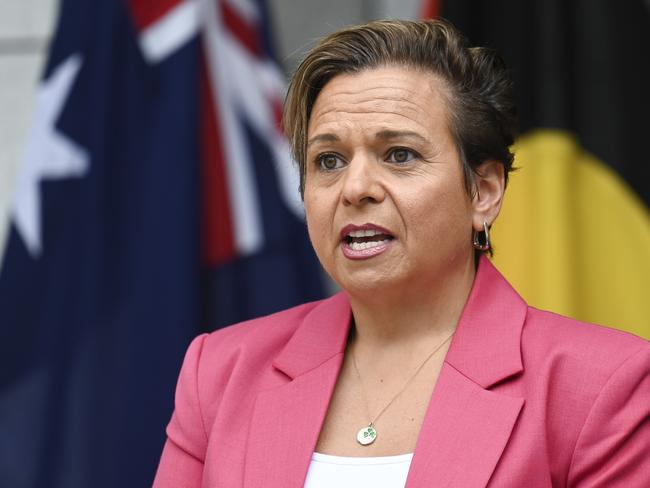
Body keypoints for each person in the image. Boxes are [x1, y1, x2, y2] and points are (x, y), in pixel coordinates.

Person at [153, 19, 649, 487]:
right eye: (329, 160)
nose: (356, 188)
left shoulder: (604, 384)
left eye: (399, 155)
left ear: (483, 192)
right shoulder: (220, 372)